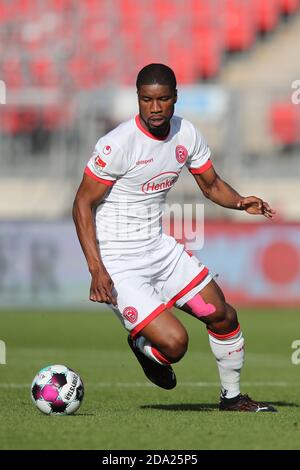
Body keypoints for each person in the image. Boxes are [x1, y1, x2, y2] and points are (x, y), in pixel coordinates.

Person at [73, 63, 277, 412]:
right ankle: (143, 346)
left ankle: (232, 398)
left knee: (223, 314)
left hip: (159, 250)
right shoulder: (118, 144)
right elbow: (81, 204)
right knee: (175, 346)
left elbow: (211, 185)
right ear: (138, 99)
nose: (155, 107)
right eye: (147, 99)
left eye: (163, 99)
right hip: (119, 264)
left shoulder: (186, 134)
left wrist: (241, 202)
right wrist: (96, 268)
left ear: (175, 99)